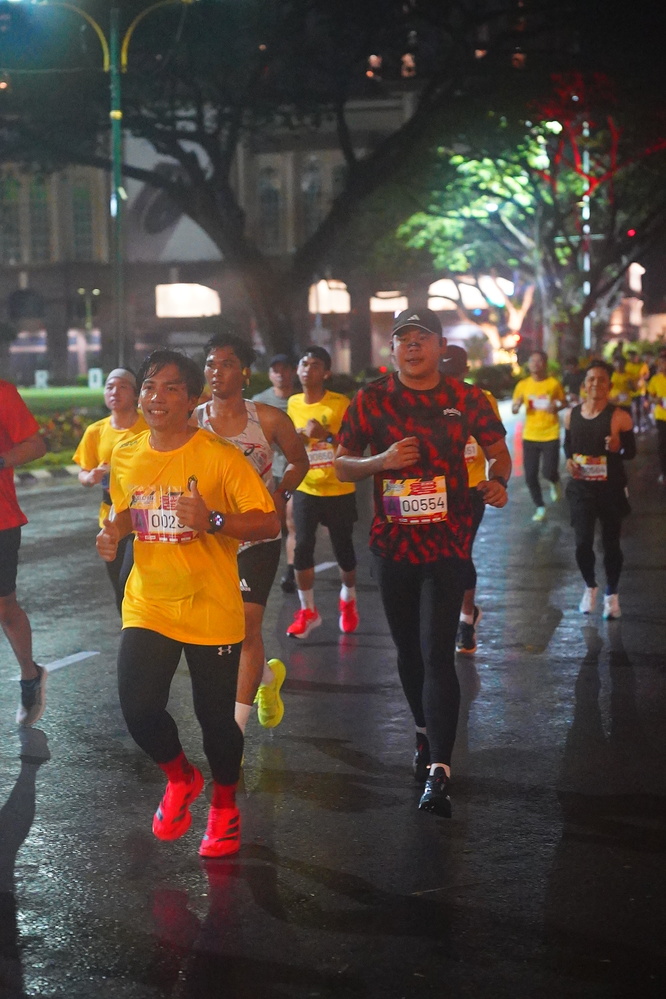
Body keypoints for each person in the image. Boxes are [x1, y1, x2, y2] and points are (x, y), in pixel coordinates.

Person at [96, 349, 280, 858]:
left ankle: (224, 806)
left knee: (215, 721)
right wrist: (113, 533)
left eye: (171, 388)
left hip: (210, 606)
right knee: (138, 709)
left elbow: (268, 521)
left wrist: (213, 520)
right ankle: (181, 778)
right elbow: (126, 511)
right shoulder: (128, 452)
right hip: (149, 602)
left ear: (192, 399)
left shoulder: (221, 457)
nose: (156, 398)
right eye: (149, 386)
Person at [335, 309, 511, 817]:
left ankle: (439, 769)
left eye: (422, 338)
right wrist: (382, 461)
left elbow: (500, 454)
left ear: (439, 346)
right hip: (393, 546)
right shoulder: (371, 400)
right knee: (409, 652)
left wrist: (498, 481)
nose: (412, 346)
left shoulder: (467, 398)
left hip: (448, 542)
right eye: (403, 339)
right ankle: (421, 730)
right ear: (392, 350)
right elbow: (341, 465)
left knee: (437, 654)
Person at [193, 332, 308, 733]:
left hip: (257, 535)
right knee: (212, 630)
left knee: (246, 627)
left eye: (226, 364)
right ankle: (268, 677)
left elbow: (299, 461)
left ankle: (235, 732)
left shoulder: (269, 419)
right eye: (210, 364)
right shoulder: (192, 420)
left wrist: (281, 493)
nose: (216, 372)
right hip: (209, 539)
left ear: (244, 372)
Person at [286, 346, 360, 639]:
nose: (308, 369)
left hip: (339, 486)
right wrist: (296, 440)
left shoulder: (340, 403)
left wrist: (325, 436)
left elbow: (354, 443)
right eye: (304, 363)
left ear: (326, 373)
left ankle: (348, 599)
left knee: (344, 551)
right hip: (307, 487)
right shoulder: (292, 403)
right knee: (302, 547)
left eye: (315, 365)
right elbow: (287, 444)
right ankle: (308, 611)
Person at [442, 346, 503, 655]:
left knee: (460, 552)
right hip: (434, 489)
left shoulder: (482, 399)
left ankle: (466, 620)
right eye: (445, 375)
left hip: (471, 488)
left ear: (466, 372)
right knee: (440, 556)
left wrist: (497, 480)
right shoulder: (425, 400)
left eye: (455, 374)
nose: (450, 381)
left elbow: (497, 449)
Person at [563, 360, 635, 620]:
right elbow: (568, 446)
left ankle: (611, 594)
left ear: (610, 386)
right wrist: (569, 461)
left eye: (601, 379)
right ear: (584, 385)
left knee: (610, 544)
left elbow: (631, 452)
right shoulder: (571, 415)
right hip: (581, 489)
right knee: (582, 543)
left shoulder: (620, 417)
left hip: (610, 489)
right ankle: (590, 586)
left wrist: (618, 447)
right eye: (591, 379)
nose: (596, 384)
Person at [73, 368, 147, 612]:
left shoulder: (149, 425)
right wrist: (89, 478)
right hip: (111, 517)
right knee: (120, 587)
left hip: (145, 515)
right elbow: (83, 472)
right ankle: (129, 629)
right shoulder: (96, 431)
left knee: (133, 580)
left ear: (135, 394)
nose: (115, 392)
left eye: (122, 387)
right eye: (109, 387)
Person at [0, 381, 47, 726]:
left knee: (4, 607)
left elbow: (36, 445)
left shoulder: (3, 394)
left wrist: (2, 459)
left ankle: (30, 675)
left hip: (1, 520)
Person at [252, 353, 300, 594]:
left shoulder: (301, 400)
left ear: (293, 372)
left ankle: (291, 569)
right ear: (270, 374)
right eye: (276, 370)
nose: (281, 374)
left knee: (292, 520)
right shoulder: (259, 403)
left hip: (296, 471)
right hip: (270, 472)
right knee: (274, 524)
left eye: (285, 369)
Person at [511, 349, 566, 522]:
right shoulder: (523, 385)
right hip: (530, 435)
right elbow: (514, 409)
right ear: (528, 364)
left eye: (539, 361)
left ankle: (554, 481)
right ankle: (540, 506)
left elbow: (563, 402)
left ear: (545, 364)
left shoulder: (553, 384)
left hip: (550, 433)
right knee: (530, 475)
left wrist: (556, 406)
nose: (535, 364)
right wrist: (517, 405)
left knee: (548, 471)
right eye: (532, 361)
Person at [646, 350, 666, 483]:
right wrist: (657, 400)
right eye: (662, 362)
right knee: (663, 445)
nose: (663, 365)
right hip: (661, 417)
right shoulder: (655, 379)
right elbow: (650, 397)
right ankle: (664, 473)